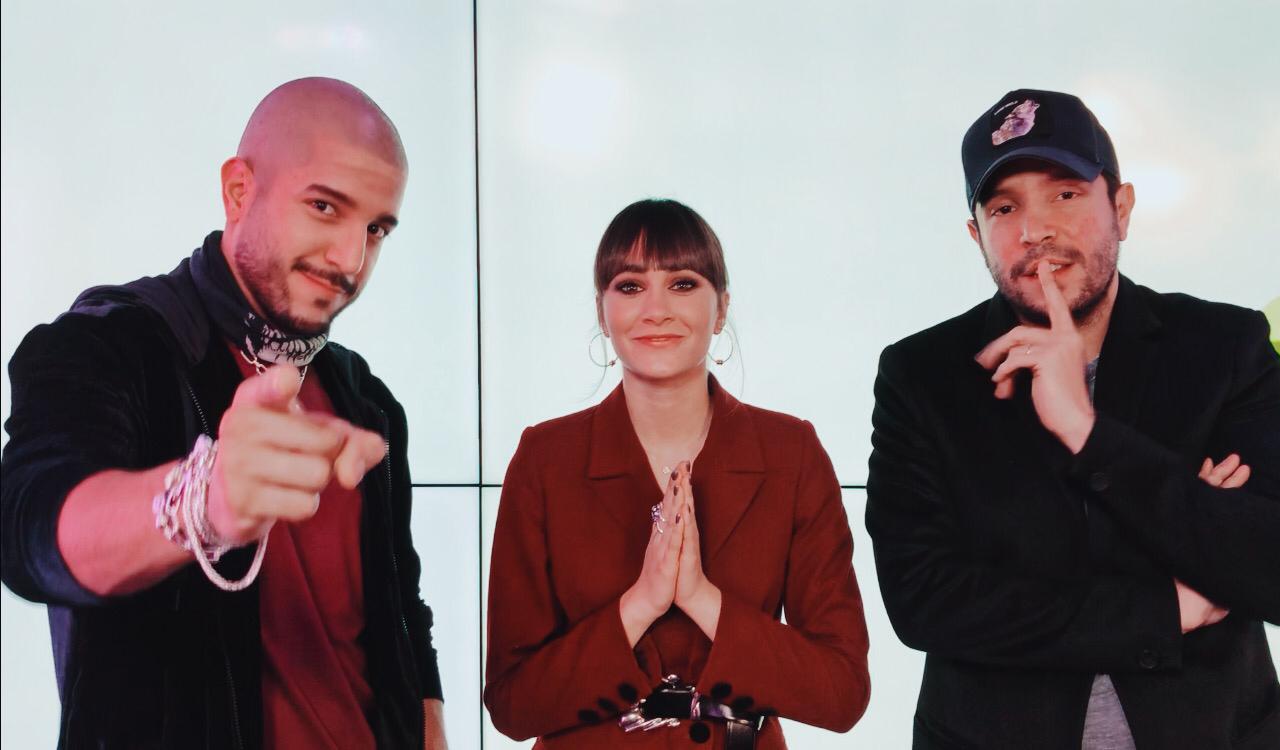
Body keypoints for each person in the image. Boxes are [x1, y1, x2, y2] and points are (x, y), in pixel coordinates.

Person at [865, 88, 1280, 749]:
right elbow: (926, 602)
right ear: (977, 235)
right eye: (1004, 207)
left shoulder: (1222, 347)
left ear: (1122, 207)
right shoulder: (923, 375)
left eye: (1065, 193)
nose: (1035, 229)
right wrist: (1171, 605)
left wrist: (1087, 433)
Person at [0, 78, 448, 749]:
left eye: (376, 229)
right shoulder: (109, 343)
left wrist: (432, 729)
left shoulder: (367, 399)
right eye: (325, 206)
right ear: (239, 191)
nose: (352, 260)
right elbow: (29, 532)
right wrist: (200, 504)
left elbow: (402, 611)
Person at [484, 199, 871, 748]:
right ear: (602, 313)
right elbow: (512, 703)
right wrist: (641, 602)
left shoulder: (791, 452)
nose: (656, 310)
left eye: (683, 283)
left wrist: (701, 597)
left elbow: (842, 691)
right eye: (630, 286)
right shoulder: (545, 458)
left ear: (722, 308)